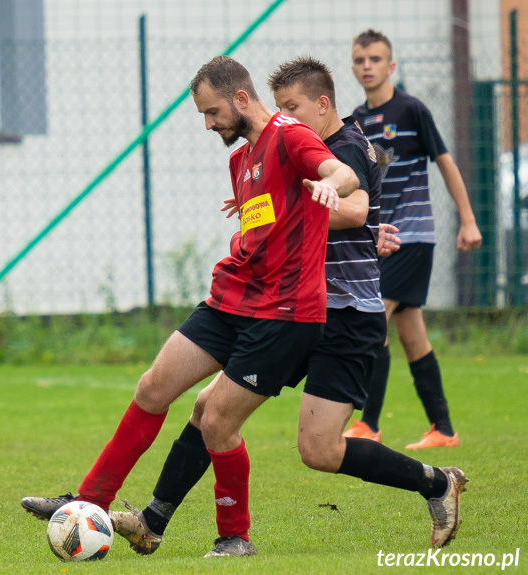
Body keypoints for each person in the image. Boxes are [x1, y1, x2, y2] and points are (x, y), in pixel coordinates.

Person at [106, 56, 468, 558]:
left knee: (318, 450)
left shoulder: (346, 147)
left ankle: (435, 483)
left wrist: (303, 206)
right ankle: (155, 520)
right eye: (280, 109)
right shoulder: (286, 146)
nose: (285, 119)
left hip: (345, 316)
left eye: (293, 108)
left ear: (323, 105)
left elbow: (357, 205)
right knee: (211, 410)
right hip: (291, 309)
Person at [21, 55, 360, 558]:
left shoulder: (290, 135)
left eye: (212, 112)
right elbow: (268, 218)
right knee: (153, 386)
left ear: (241, 98)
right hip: (234, 299)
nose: (208, 124)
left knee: (217, 419)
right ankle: (89, 504)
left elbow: (342, 172)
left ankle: (234, 537)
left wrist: (331, 185)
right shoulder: (239, 160)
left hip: (285, 315)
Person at [343, 29, 483, 448]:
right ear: (353, 66)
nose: (367, 66)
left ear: (391, 65)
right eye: (360, 59)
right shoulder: (356, 120)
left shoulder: (412, 110)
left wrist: (468, 219)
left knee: (371, 319)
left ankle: (367, 423)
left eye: (375, 59)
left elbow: (445, 163)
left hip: (413, 236)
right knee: (412, 335)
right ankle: (443, 429)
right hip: (379, 239)